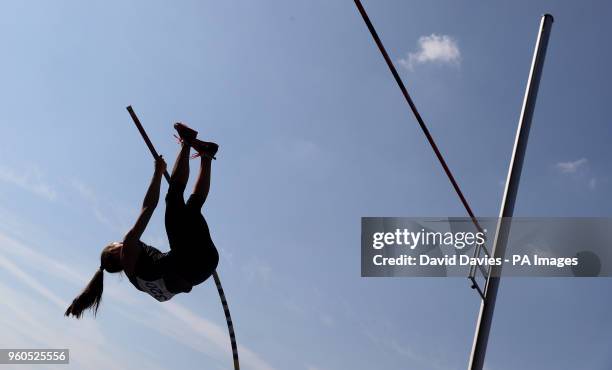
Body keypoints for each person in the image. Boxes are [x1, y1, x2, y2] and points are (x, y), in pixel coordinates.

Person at [65, 123, 220, 318]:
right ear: (114, 250)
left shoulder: (136, 281)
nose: (120, 241)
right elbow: (148, 207)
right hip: (189, 259)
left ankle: (206, 156)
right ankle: (186, 142)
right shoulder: (128, 247)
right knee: (173, 197)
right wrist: (157, 172)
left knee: (191, 209)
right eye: (116, 243)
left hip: (203, 266)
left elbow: (173, 288)